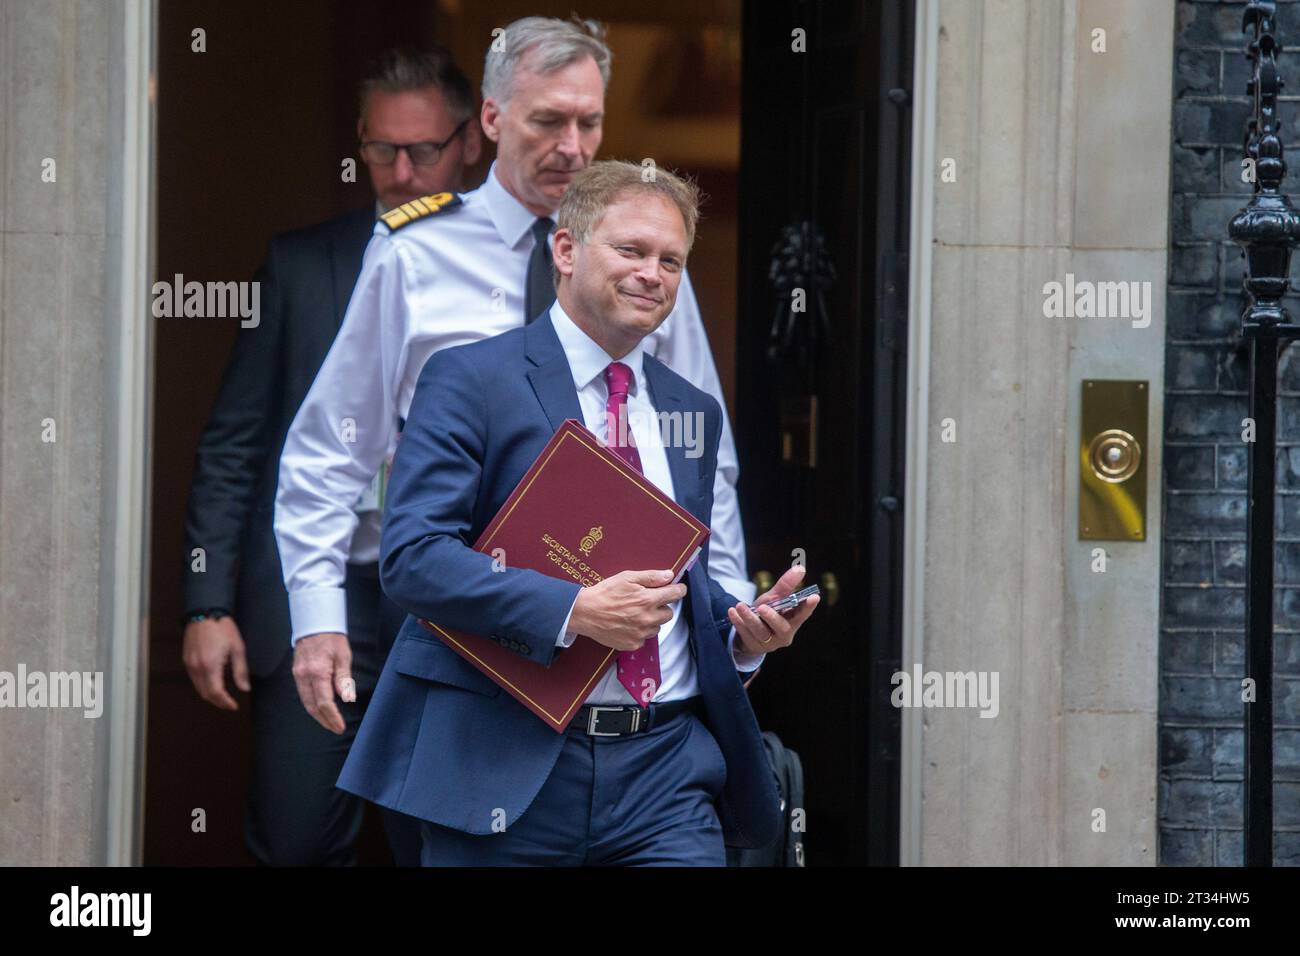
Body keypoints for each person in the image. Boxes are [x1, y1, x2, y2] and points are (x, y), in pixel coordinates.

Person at [275, 16, 756, 738]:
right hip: (450, 611)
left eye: (589, 123)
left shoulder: (644, 267)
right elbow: (334, 444)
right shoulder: (414, 252)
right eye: (548, 121)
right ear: (492, 119)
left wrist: (731, 611)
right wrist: (316, 616)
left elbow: (700, 458)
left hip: (611, 626)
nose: (573, 147)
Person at [337, 160, 818, 866]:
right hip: (508, 763)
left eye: (671, 260)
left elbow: (676, 588)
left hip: (667, 774)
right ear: (566, 251)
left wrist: (746, 634)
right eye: (631, 250)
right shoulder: (470, 379)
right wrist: (573, 610)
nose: (652, 274)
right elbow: (413, 559)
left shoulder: (692, 411)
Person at [179, 46, 481, 866]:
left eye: (424, 149)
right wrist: (207, 604)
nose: (404, 169)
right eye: (383, 149)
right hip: (313, 601)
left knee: (448, 845)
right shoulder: (300, 265)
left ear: (472, 142)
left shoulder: (515, 272)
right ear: (360, 141)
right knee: (298, 838)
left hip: (450, 603)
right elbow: (236, 440)